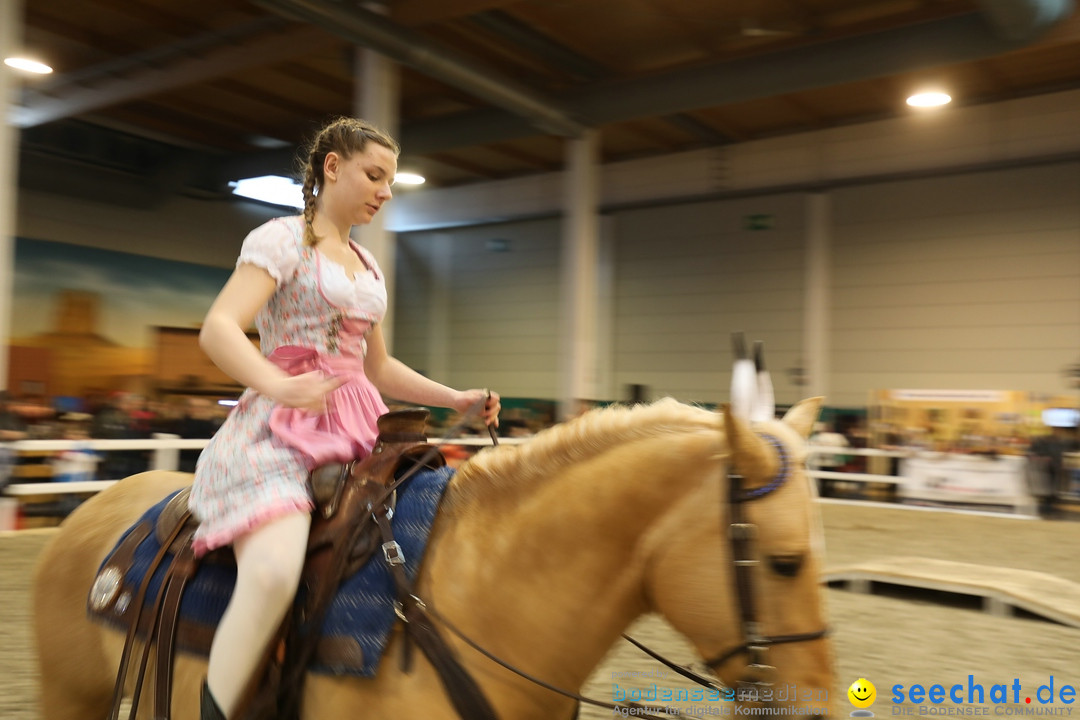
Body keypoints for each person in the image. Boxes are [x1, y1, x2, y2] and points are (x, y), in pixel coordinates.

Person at [188, 117, 500, 720]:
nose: (385, 191)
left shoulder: (367, 264)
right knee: (275, 572)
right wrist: (280, 384)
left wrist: (454, 396)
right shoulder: (281, 240)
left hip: (361, 429)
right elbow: (218, 327)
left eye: (390, 182)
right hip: (280, 429)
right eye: (374, 176)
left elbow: (376, 368)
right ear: (332, 167)